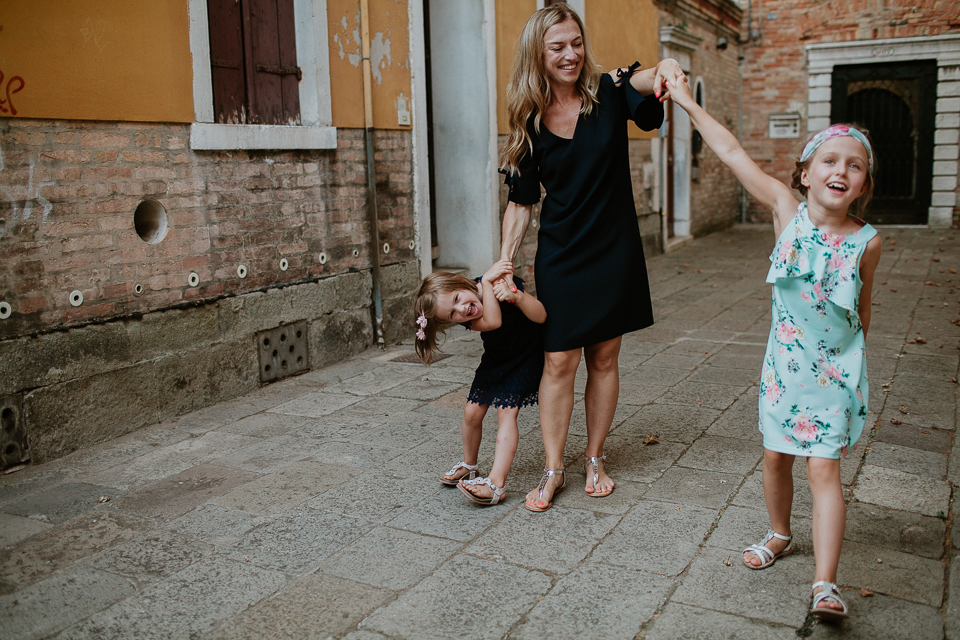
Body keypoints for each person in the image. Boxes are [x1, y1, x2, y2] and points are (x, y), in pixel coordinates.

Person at [668, 75, 881, 620]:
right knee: (775, 459)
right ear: (806, 174)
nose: (841, 170)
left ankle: (826, 585)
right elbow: (732, 151)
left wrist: (854, 376)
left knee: (823, 471)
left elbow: (864, 311)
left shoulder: (867, 241)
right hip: (785, 370)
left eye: (854, 166)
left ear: (863, 184)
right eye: (830, 161)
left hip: (834, 374)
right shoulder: (786, 211)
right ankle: (781, 532)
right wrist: (689, 101)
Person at [497, 4, 683, 512]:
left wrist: (665, 67)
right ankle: (554, 466)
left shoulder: (608, 90)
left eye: (575, 43)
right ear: (539, 52)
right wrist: (505, 261)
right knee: (559, 360)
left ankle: (595, 457)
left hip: (614, 250)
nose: (570, 54)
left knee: (604, 357)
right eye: (557, 46)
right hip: (561, 253)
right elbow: (520, 200)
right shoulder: (529, 120)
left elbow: (645, 82)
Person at [414, 260, 546, 506]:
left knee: (506, 413)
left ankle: (496, 484)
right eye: (452, 314)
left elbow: (541, 315)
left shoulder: (501, 285)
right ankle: (470, 465)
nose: (461, 310)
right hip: (495, 361)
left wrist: (515, 297)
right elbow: (493, 322)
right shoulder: (483, 291)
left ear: (461, 283)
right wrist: (485, 281)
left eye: (456, 299)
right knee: (471, 413)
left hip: (524, 356)